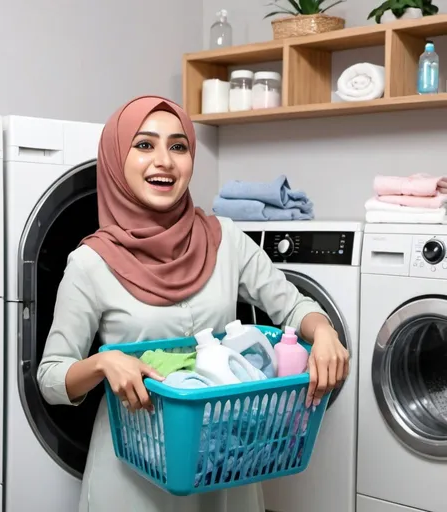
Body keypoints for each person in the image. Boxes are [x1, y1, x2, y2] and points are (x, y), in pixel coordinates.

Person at [37, 95, 349, 512]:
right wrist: (102, 363)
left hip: (228, 459)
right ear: (115, 159)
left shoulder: (226, 238)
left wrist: (324, 331)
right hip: (133, 468)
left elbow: (293, 307)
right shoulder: (90, 263)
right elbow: (51, 376)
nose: (164, 160)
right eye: (144, 145)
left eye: (178, 146)